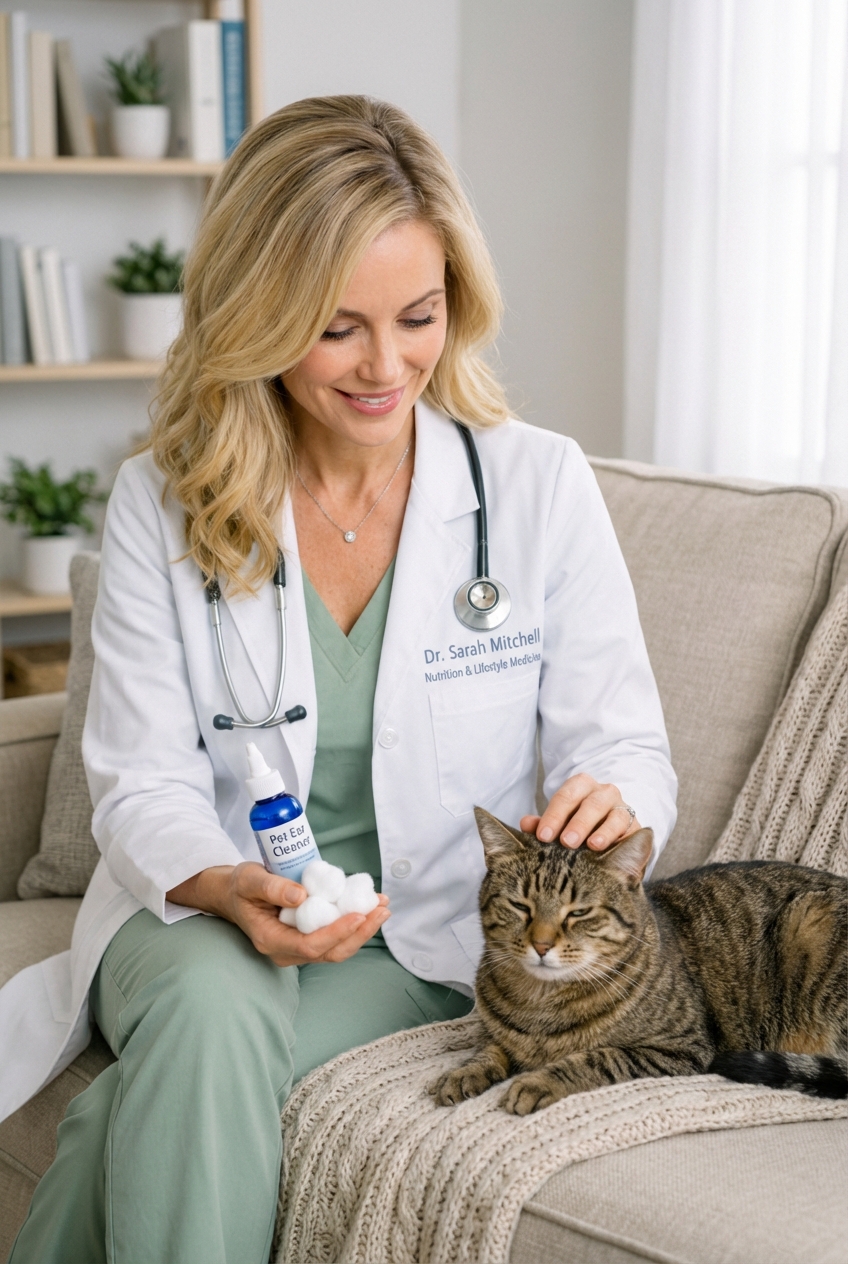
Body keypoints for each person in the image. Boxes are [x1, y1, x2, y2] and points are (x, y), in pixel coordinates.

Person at [4, 95, 676, 1263]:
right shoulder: (163, 500)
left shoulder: (535, 488)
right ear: (256, 316)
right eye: (335, 329)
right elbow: (140, 781)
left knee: (134, 1109)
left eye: (417, 317)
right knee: (213, 1006)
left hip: (419, 940)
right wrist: (222, 885)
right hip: (197, 914)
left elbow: (621, 744)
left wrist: (612, 796)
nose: (386, 366)